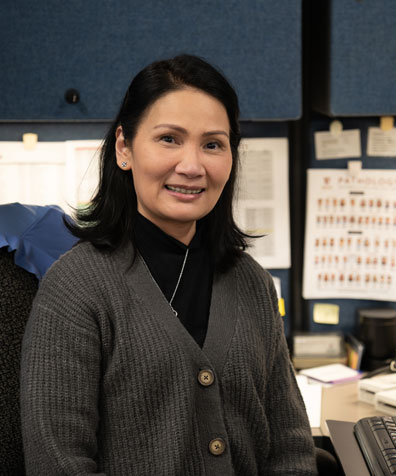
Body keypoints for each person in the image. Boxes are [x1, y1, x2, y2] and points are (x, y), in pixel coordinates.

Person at [20, 55, 318, 475]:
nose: (193, 166)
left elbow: (291, 447)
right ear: (124, 148)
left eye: (212, 144)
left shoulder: (251, 283)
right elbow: (58, 463)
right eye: (169, 139)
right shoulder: (76, 288)